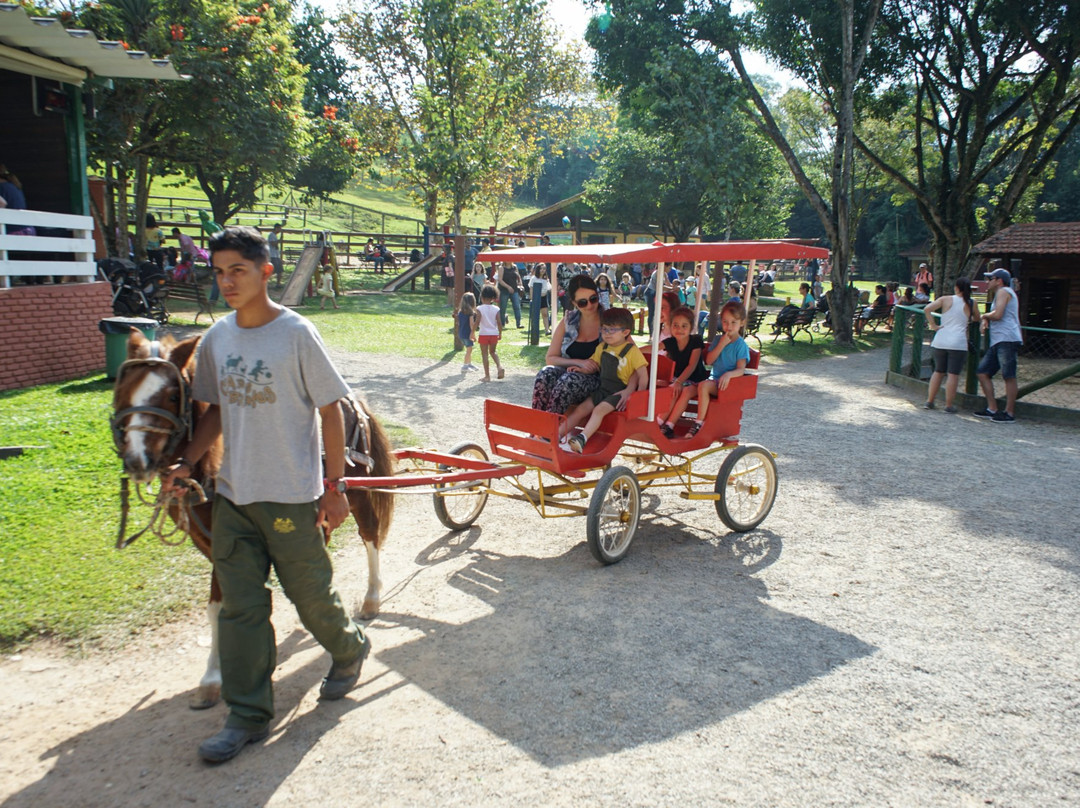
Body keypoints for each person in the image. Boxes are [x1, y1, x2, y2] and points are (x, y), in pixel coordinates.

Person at [162, 226, 369, 764]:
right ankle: (247, 716)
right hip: (234, 495)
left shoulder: (297, 334)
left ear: (265, 273)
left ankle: (349, 649)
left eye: (239, 270)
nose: (227, 282)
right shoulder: (218, 339)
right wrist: (185, 463)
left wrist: (335, 486)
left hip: (290, 497)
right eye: (219, 271)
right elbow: (213, 414)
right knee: (240, 609)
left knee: (312, 599)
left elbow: (331, 411)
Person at [558, 308, 648, 453]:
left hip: (618, 391)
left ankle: (582, 438)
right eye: (604, 329)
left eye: (612, 330)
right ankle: (556, 435)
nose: (606, 333)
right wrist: (582, 369)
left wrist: (638, 396)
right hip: (602, 388)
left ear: (625, 332)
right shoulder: (602, 347)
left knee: (599, 410)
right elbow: (594, 365)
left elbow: (642, 374)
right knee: (581, 408)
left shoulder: (632, 351)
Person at [532, 275, 603, 413]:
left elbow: (629, 351)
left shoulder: (610, 320)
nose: (590, 305)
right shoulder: (568, 321)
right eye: (583, 302)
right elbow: (550, 358)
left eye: (593, 299)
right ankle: (537, 427)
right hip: (569, 374)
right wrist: (580, 363)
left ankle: (549, 431)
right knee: (544, 375)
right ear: (574, 303)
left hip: (597, 378)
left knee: (567, 381)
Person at [974, 267, 1023, 423]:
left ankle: (1009, 413)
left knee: (1008, 375)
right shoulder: (1002, 293)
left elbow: (998, 314)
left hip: (1007, 339)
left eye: (991, 279)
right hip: (999, 340)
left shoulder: (1004, 292)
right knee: (982, 372)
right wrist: (986, 319)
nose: (987, 282)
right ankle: (992, 408)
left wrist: (984, 316)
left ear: (999, 281)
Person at [923, 277, 978, 413]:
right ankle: (948, 405)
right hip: (958, 342)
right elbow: (977, 318)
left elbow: (927, 309)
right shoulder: (971, 303)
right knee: (953, 374)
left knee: (938, 371)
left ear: (957, 287)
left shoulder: (945, 299)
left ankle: (930, 401)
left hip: (941, 338)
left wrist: (933, 325)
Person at [656, 306, 709, 438]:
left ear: (691, 327)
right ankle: (658, 422)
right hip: (679, 380)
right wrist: (632, 350)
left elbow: (692, 365)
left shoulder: (695, 340)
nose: (679, 329)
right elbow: (651, 349)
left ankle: (669, 425)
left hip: (697, 381)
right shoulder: (670, 342)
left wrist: (679, 381)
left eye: (684, 326)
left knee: (683, 391)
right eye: (676, 325)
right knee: (672, 391)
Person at [695, 301, 750, 427]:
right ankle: (669, 424)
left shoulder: (740, 345)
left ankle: (698, 423)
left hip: (727, 385)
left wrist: (729, 374)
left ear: (741, 323)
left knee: (703, 386)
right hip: (714, 381)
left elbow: (741, 369)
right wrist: (721, 345)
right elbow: (709, 361)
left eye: (733, 322)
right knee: (686, 390)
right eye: (725, 322)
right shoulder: (718, 340)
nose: (728, 326)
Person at [476, 284, 505, 382]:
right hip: (494, 333)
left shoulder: (479, 308)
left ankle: (487, 376)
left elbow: (477, 321)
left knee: (485, 354)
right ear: (493, 297)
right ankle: (499, 367)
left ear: (482, 296)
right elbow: (499, 323)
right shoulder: (496, 309)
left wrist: (472, 332)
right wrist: (500, 333)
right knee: (493, 352)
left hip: (484, 333)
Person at [456, 291, 478, 371]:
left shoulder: (460, 311)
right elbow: (471, 324)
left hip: (461, 333)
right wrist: (473, 334)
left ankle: (469, 364)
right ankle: (465, 365)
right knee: (469, 350)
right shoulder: (470, 313)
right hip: (468, 334)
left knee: (469, 348)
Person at [498, 261, 523, 328]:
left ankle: (518, 323)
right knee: (503, 308)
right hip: (504, 290)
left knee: (517, 306)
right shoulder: (501, 268)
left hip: (514, 289)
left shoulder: (515, 267)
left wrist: (520, 284)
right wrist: (508, 287)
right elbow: (500, 280)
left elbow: (518, 277)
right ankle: (502, 324)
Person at [268, 223, 284, 287]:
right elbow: (272, 244)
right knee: (272, 271)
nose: (280, 230)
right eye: (279, 228)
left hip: (276, 255)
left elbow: (276, 246)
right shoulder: (271, 235)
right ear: (276, 228)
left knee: (280, 270)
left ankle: (278, 283)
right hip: (272, 255)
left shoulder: (274, 235)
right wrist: (279, 241)